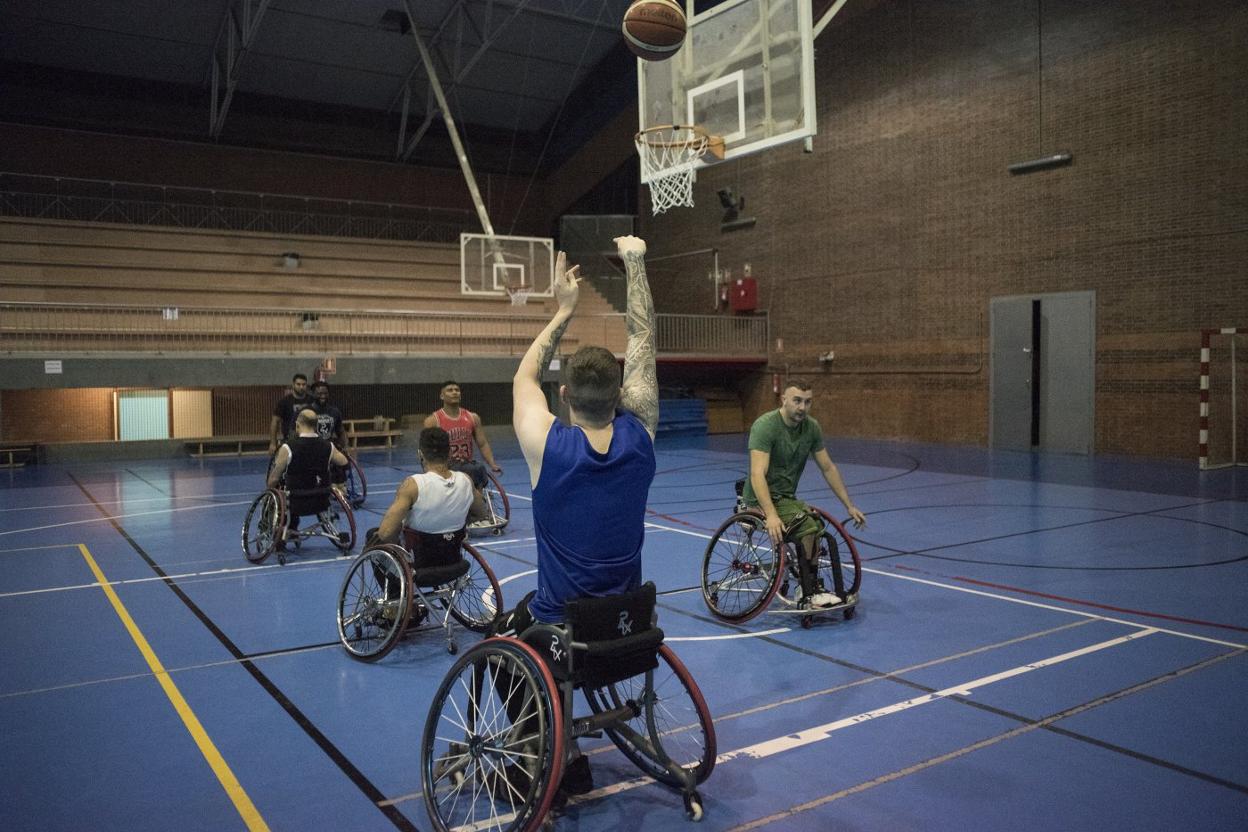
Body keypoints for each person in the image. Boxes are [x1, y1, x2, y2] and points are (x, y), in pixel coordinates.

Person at [493, 234, 659, 797]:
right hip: (629, 623)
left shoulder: (549, 447)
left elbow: (521, 379)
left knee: (499, 640)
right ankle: (570, 744)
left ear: (563, 393)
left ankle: (546, 751)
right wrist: (634, 263)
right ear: (622, 394)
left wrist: (564, 309)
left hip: (562, 626)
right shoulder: (643, 438)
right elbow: (643, 340)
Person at [742, 381, 867, 608]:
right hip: (758, 501)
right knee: (807, 526)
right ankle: (810, 588)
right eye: (797, 401)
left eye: (808, 402)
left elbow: (828, 467)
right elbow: (757, 474)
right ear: (784, 400)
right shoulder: (765, 426)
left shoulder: (811, 428)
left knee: (816, 524)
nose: (802, 407)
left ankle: (808, 583)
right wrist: (770, 515)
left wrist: (849, 505)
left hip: (786, 500)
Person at [267, 408, 349, 547]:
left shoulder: (287, 448)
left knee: (276, 491)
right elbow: (344, 462)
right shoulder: (328, 446)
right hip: (321, 499)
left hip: (295, 501)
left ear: (298, 424)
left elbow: (273, 479)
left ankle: (284, 532)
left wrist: (270, 489)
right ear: (316, 425)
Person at [424, 381, 503, 490]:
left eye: (457, 390)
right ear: (442, 396)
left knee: (477, 468)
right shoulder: (433, 420)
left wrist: (492, 464)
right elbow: (426, 448)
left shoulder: (473, 417)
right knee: (474, 469)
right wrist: (429, 469)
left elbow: (482, 444)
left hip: (466, 464)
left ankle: (479, 499)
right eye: (450, 390)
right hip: (446, 466)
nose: (454, 392)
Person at [269, 373, 312, 454]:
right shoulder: (284, 402)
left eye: (304, 384)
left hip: (309, 441)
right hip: (290, 441)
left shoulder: (312, 401)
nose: (301, 387)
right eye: (298, 384)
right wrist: (273, 443)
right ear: (293, 385)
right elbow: (275, 421)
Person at [309, 381, 346, 448]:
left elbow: (341, 432)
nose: (323, 396)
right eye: (319, 394)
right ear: (313, 394)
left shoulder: (334, 412)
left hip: (328, 450)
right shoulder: (305, 411)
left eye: (325, 393)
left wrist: (343, 447)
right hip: (310, 450)